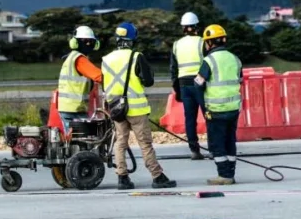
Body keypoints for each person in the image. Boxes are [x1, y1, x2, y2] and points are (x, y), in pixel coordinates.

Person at [100, 22, 177, 190]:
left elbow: (104, 85)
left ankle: (122, 177)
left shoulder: (106, 59)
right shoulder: (136, 57)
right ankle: (157, 176)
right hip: (137, 109)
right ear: (133, 39)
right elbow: (148, 81)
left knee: (121, 142)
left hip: (116, 109)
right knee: (145, 144)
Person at [193, 24, 242, 185]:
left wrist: (204, 108)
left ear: (209, 43)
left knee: (217, 143)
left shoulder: (209, 60)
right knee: (230, 141)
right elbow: (239, 80)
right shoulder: (235, 59)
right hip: (233, 108)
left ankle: (224, 175)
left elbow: (198, 85)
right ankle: (230, 172)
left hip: (216, 109)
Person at [170, 11, 205, 160]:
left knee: (190, 118)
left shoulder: (176, 45)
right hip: (200, 82)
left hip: (184, 84)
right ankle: (217, 148)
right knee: (209, 116)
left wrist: (177, 89)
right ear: (196, 26)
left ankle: (194, 150)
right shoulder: (202, 42)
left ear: (183, 28)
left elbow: (173, 69)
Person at [57, 25, 103, 134]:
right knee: (83, 142)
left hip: (68, 107)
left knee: (72, 142)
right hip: (74, 109)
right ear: (75, 43)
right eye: (85, 41)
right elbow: (99, 76)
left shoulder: (71, 58)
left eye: (90, 41)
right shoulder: (79, 59)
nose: (88, 44)